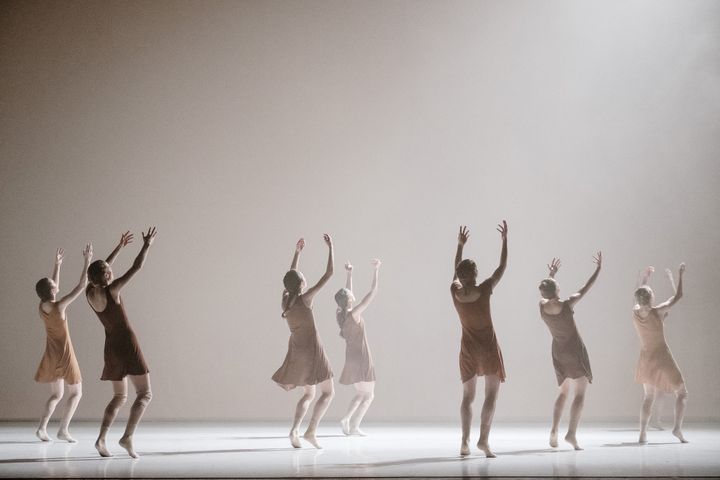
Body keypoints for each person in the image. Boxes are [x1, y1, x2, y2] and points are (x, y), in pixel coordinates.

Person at [86, 228, 156, 458]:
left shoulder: (90, 291)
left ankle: (101, 439)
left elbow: (99, 268)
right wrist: (146, 245)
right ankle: (127, 437)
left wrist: (118, 247)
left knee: (119, 396)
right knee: (144, 394)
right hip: (127, 343)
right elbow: (136, 267)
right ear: (106, 277)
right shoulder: (113, 290)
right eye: (109, 272)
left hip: (111, 346)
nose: (111, 271)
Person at [272, 235, 335, 449]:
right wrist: (331, 248)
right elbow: (329, 274)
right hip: (313, 349)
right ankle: (311, 431)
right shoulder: (305, 299)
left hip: (297, 350)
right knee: (328, 392)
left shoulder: (285, 301)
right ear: (301, 284)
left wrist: (297, 254)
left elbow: (290, 278)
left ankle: (295, 430)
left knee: (309, 393)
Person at [452, 222, 507, 458]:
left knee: (467, 397)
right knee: (491, 395)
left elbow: (455, 272)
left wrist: (460, 246)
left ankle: (464, 443)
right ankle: (483, 440)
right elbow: (501, 267)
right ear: (475, 275)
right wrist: (505, 240)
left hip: (467, 349)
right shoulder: (485, 289)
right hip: (488, 349)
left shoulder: (454, 291)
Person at [538, 253, 601, 450]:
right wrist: (598, 269)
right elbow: (586, 288)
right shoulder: (567, 304)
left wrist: (551, 274)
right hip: (574, 350)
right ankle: (571, 434)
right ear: (556, 290)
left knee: (563, 392)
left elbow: (547, 293)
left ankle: (554, 431)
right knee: (580, 393)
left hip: (557, 351)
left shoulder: (542, 306)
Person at [34, 244, 93, 442]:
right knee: (76, 392)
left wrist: (57, 266)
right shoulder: (59, 306)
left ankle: (42, 428)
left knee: (56, 395)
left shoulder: (43, 306)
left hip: (50, 355)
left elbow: (52, 289)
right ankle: (63, 430)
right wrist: (87, 261)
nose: (57, 286)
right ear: (52, 290)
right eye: (54, 285)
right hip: (65, 354)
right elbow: (82, 285)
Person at [634, 263, 688, 444]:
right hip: (661, 356)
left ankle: (642, 434)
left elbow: (638, 295)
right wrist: (679, 275)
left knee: (648, 396)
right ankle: (677, 429)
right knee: (682, 391)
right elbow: (678, 296)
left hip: (646, 357)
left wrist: (644, 279)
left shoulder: (635, 312)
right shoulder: (657, 312)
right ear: (650, 299)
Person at [335, 259, 381, 436]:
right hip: (362, 356)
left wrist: (349, 273)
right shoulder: (355, 314)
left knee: (361, 393)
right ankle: (353, 425)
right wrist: (376, 270)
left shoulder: (340, 314)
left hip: (350, 357)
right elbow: (373, 292)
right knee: (369, 395)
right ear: (349, 301)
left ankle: (347, 419)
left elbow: (347, 294)